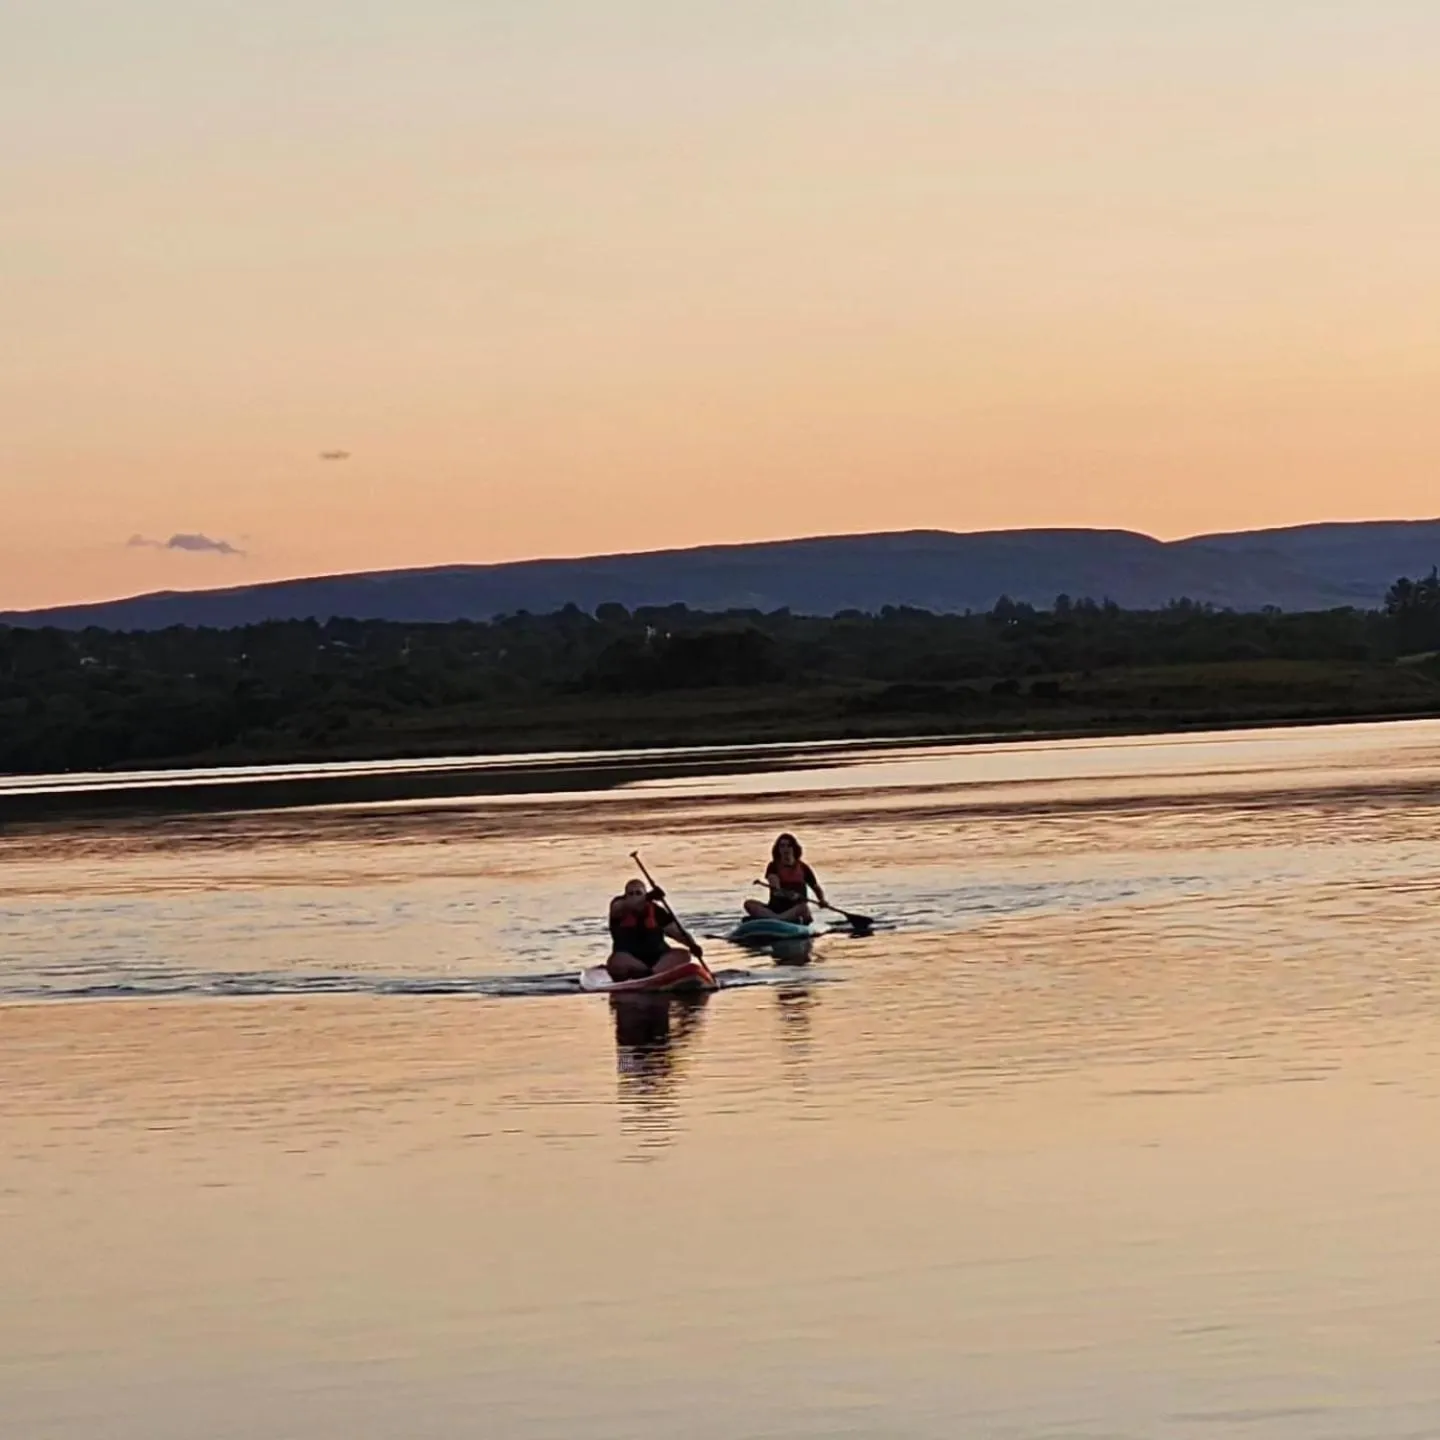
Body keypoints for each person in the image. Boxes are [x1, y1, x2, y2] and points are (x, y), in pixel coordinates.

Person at [607, 878, 704, 981]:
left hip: (658, 959)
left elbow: (677, 933)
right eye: (631, 894)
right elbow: (628, 904)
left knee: (684, 955)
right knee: (617, 961)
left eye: (638, 893)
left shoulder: (657, 911)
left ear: (645, 893)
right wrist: (648, 897)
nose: (634, 897)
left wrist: (692, 945)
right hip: (630, 959)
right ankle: (643, 972)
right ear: (625, 896)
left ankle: (650, 974)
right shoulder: (618, 906)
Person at [744, 832, 826, 924]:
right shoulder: (773, 866)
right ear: (778, 849)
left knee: (803, 907)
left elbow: (816, 887)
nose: (786, 849)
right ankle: (778, 919)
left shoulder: (803, 868)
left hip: (794, 910)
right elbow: (776, 891)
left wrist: (822, 900)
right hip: (776, 909)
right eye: (782, 846)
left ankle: (774, 919)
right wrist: (788, 895)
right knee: (748, 904)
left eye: (789, 846)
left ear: (794, 848)